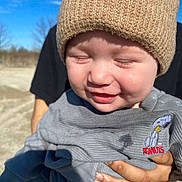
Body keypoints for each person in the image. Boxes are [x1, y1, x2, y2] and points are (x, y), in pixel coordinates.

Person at [1, 0, 181, 181]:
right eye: (81, 57)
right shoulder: (64, 108)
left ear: (158, 66)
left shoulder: (171, 115)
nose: (98, 77)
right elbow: (29, 157)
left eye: (123, 61)